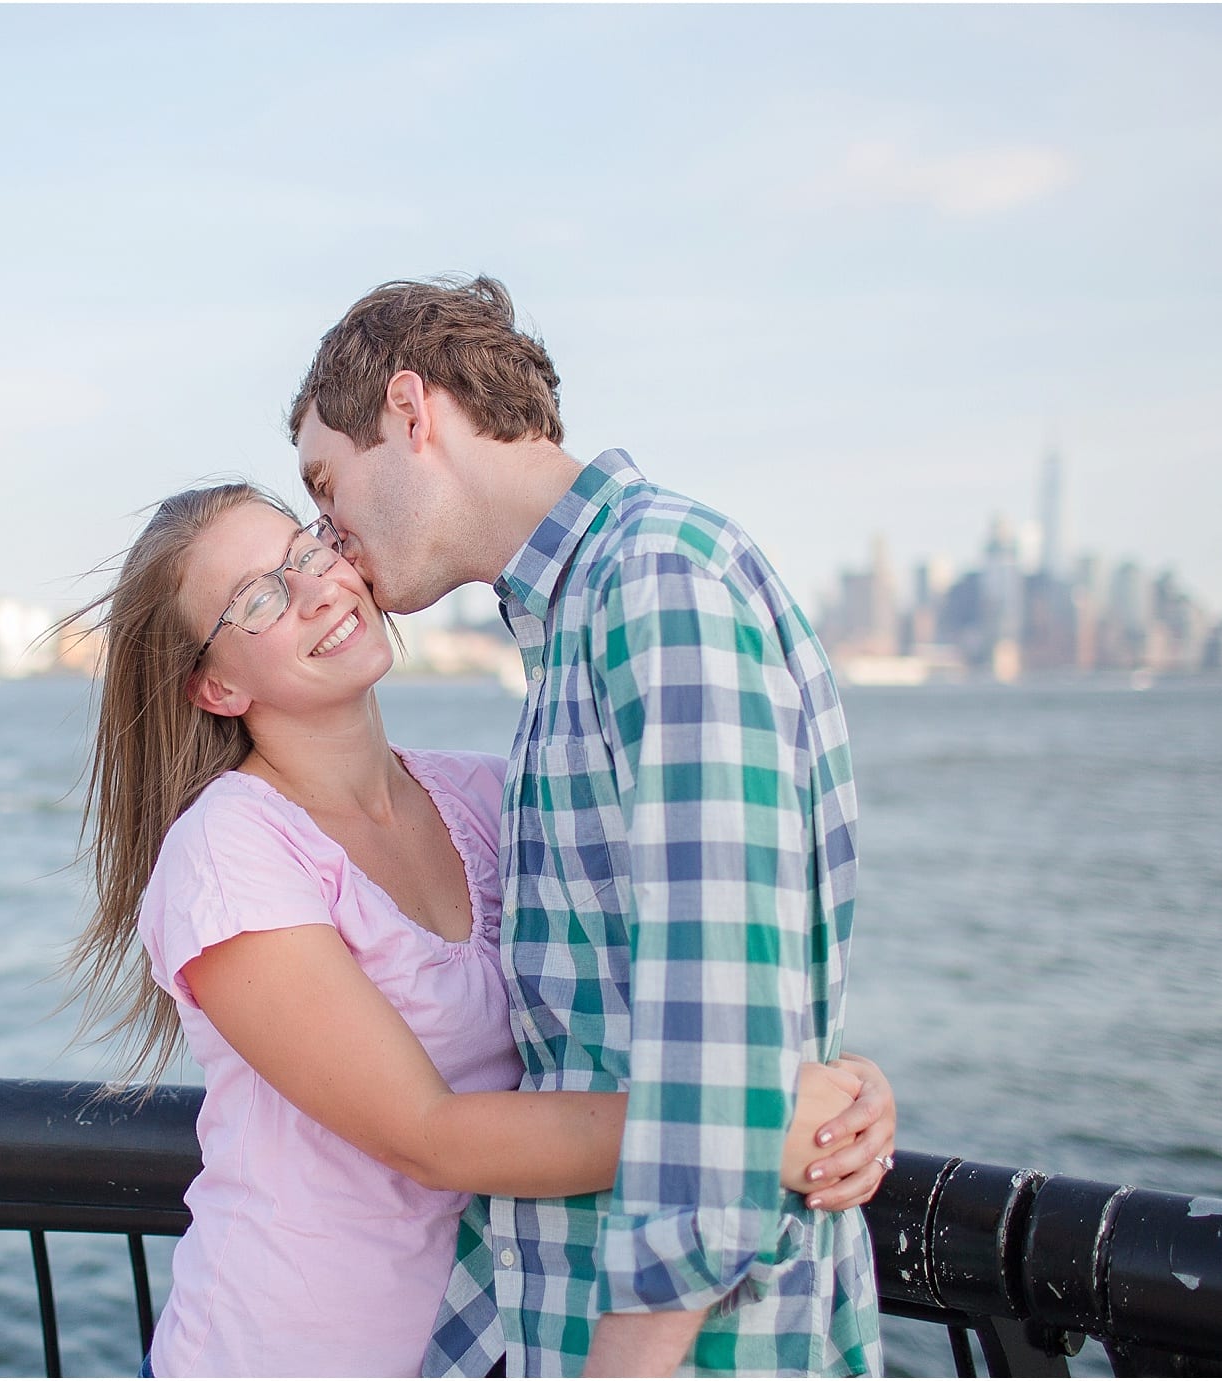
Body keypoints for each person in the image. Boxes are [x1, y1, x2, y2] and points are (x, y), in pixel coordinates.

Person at [62, 483, 896, 1378]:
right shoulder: (228, 853)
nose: (314, 589)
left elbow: (652, 987)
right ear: (216, 685)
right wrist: (737, 1126)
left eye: (305, 549)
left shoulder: (488, 796)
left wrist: (837, 1088)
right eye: (258, 598)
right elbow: (428, 1133)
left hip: (481, 1344)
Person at [289, 275, 882, 1376]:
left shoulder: (654, 582)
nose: (330, 535)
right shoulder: (585, 615)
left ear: (412, 413)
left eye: (328, 483)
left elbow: (716, 1026)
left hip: (688, 1351)